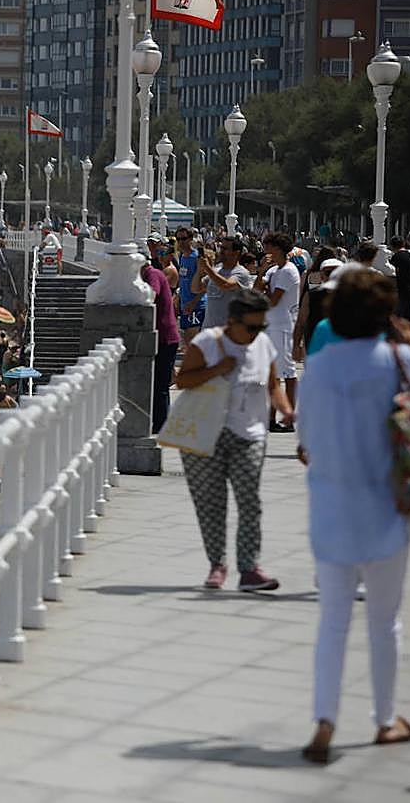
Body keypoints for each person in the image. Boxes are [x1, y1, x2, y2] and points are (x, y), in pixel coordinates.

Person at [296, 270, 410, 763]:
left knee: (332, 622)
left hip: (330, 510)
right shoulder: (396, 360)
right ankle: (384, 720)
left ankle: (324, 719)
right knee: (385, 622)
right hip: (384, 508)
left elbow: (308, 440)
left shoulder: (316, 367)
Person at [173, 289, 294, 592]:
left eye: (261, 326)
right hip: (205, 435)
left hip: (250, 434)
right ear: (232, 321)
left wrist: (286, 409)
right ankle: (218, 564)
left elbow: (273, 383)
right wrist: (216, 370)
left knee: (250, 501)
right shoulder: (207, 344)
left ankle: (250, 569)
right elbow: (182, 380)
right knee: (211, 505)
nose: (256, 333)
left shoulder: (263, 344)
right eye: (251, 327)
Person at [255, 232, 301, 431]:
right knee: (272, 374)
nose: (265, 250)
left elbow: (273, 301)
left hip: (283, 326)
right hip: (271, 325)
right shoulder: (274, 271)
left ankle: (288, 416)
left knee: (287, 373)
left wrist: (264, 292)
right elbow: (256, 291)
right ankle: (270, 417)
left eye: (269, 247)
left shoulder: (288, 271)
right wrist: (261, 272)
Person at [142, 255, 180, 434]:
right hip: (162, 336)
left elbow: (151, 294)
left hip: (165, 337)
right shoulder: (151, 273)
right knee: (158, 384)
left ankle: (161, 425)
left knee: (160, 385)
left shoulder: (153, 274)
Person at [192, 237, 252, 331]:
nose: (221, 251)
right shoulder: (216, 271)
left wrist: (208, 268)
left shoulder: (241, 273)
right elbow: (195, 289)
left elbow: (226, 285)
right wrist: (199, 270)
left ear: (236, 253)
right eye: (221, 247)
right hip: (208, 332)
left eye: (225, 249)